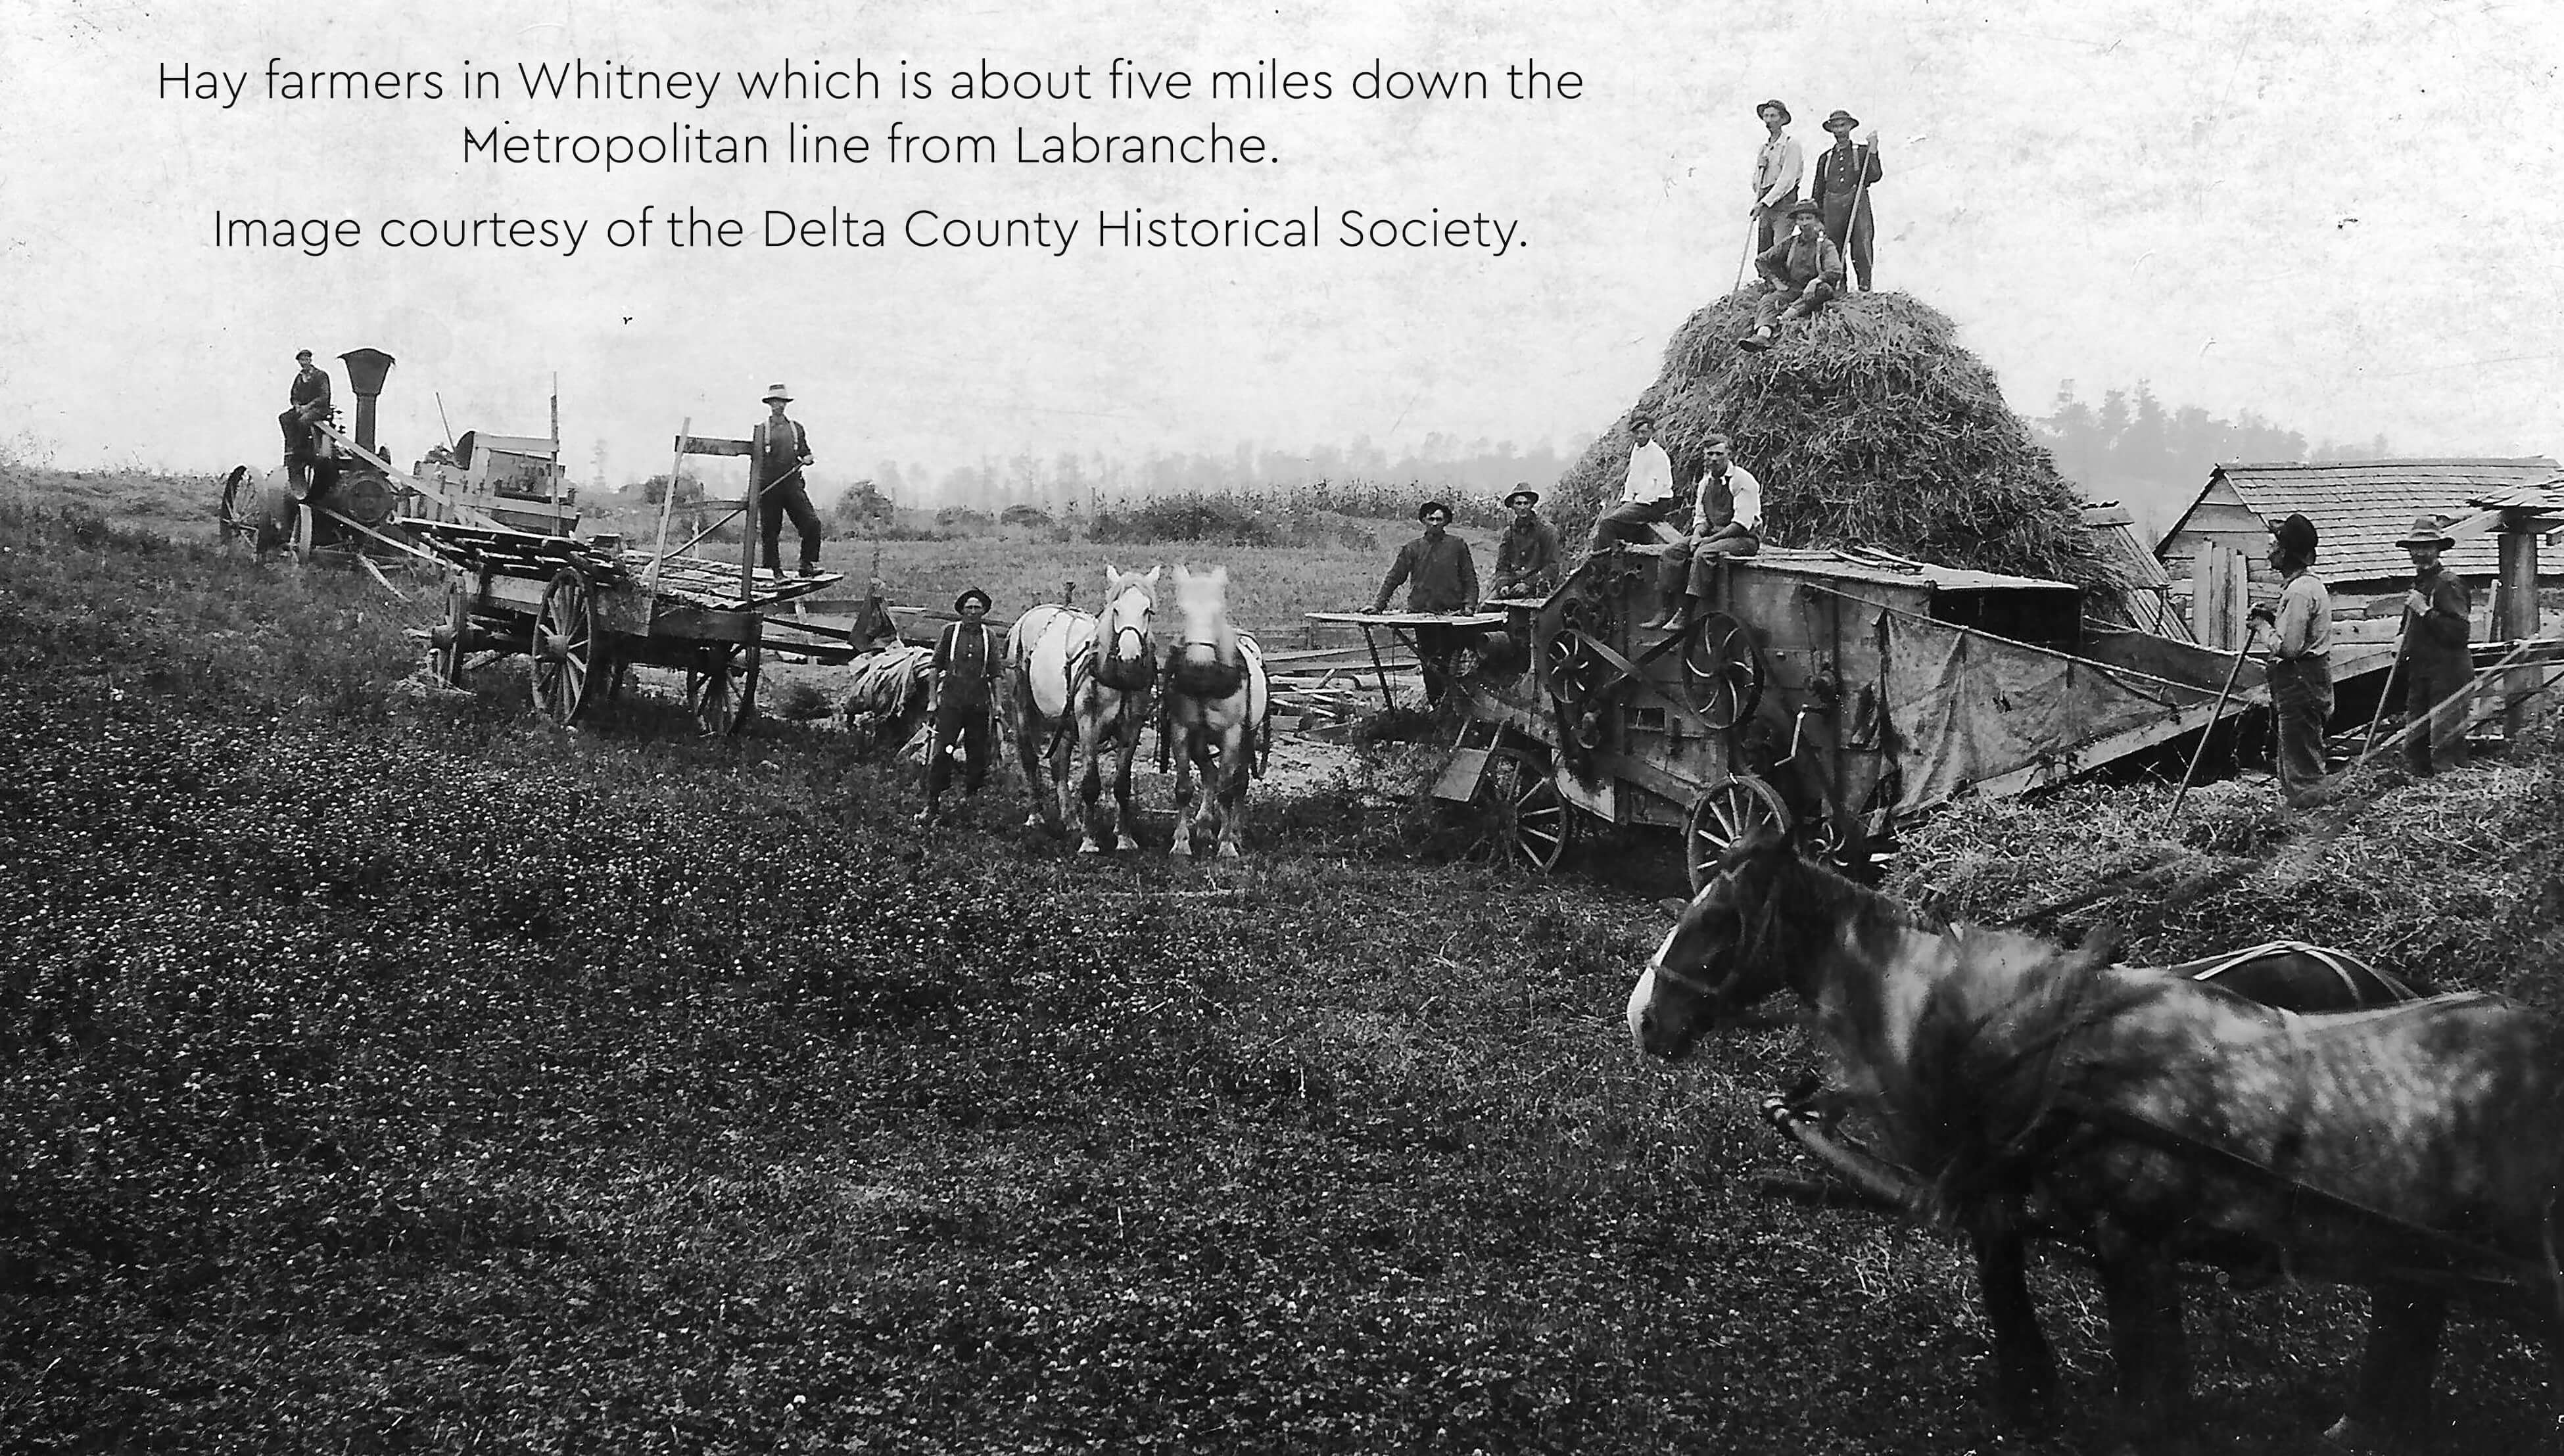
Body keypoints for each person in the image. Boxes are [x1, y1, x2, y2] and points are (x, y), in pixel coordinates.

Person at [2245, 513, 2333, 805]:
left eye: (2276, 545)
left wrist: (2262, 627)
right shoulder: (2305, 587)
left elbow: (2290, 649)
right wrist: (2272, 619)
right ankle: (2301, 819)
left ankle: (2311, 827)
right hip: (2302, 683)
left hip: (2300, 683)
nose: (2270, 550)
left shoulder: (2299, 592)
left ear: (2286, 553)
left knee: (2301, 767)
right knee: (2295, 758)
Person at [1640, 434, 1764, 632]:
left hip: (1743, 539)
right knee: (1672, 552)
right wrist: (1697, 536)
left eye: (1719, 454)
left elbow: (1741, 524)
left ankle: (1686, 612)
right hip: (1715, 534)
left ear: (1729, 455)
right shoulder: (1705, 483)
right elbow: (1702, 518)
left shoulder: (1742, 480)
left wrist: (1707, 541)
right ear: (1704, 456)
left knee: (1703, 554)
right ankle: (1664, 609)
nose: (1714, 459)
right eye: (1709, 454)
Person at [1373, 500, 1479, 706]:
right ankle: (1435, 705)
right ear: (1423, 521)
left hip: (1452, 615)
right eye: (1431, 519)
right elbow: (1394, 577)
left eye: (1439, 519)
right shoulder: (1412, 548)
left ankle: (1451, 707)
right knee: (1428, 660)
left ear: (1446, 521)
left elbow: (1469, 579)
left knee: (1449, 661)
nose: (1435, 523)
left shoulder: (1457, 545)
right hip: (1422, 615)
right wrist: (1378, 606)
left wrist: (1469, 606)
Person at [2394, 515, 2472, 776]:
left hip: (2448, 675)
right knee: (2414, 743)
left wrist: (2425, 611)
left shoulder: (2448, 583)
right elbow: (2411, 627)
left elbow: (2459, 632)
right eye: (2415, 548)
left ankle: (2448, 799)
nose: (2420, 553)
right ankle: (2418, 800)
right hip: (2422, 673)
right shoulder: (2419, 583)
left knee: (2444, 745)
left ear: (2438, 549)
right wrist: (2400, 639)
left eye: (2427, 547)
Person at [920, 588, 1000, 822]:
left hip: (978, 704)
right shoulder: (950, 633)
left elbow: (996, 672)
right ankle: (932, 803)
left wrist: (999, 704)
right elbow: (935, 666)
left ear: (984, 611)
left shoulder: (989, 636)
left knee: (978, 753)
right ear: (962, 611)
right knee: (944, 750)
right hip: (952, 703)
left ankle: (970, 801)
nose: (973, 612)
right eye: (969, 608)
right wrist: (933, 700)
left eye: (978, 608)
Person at [1738, 202, 1845, 350]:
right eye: (1801, 219)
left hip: (1815, 290)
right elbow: (1761, 260)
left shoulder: (1826, 245)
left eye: (1809, 218)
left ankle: (1787, 317)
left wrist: (1815, 282)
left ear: (1816, 220)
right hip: (1793, 289)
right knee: (1768, 301)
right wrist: (1775, 281)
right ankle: (1763, 335)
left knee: (1824, 290)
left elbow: (1836, 270)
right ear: (1796, 222)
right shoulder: (1791, 243)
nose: (1805, 223)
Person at [1586, 411, 1682, 555]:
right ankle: (1612, 556)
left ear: (1651, 431)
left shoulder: (1658, 455)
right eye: (1637, 433)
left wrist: (1636, 503)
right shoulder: (1636, 450)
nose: (1640, 436)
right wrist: (1627, 499)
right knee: (1617, 520)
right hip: (1641, 502)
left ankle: (1600, 561)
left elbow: (1656, 487)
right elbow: (1633, 477)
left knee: (1608, 524)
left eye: (1644, 432)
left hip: (1655, 503)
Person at [755, 383, 825, 577]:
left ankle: (806, 565)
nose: (779, 405)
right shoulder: (762, 430)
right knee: (771, 530)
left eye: (782, 402)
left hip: (792, 483)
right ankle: (775, 571)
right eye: (775, 402)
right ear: (769, 404)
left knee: (812, 523)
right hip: (770, 486)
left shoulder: (796, 428)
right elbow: (757, 462)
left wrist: (808, 458)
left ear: (786, 404)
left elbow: (805, 452)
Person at [1811, 110, 1884, 293]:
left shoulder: (1861, 152)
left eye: (1843, 125)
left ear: (1851, 127)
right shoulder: (1826, 158)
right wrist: (1817, 218)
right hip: (1832, 207)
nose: (1839, 130)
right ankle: (1839, 289)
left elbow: (1875, 175)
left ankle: (1864, 288)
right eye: (1835, 126)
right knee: (1834, 249)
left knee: (1862, 244)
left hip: (1857, 202)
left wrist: (1873, 150)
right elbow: (1818, 188)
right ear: (1831, 130)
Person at [1747, 99, 1804, 255]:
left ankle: (1782, 280)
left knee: (1780, 249)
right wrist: (1760, 169)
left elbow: (1788, 179)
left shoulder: (1791, 144)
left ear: (1783, 119)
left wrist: (1765, 202)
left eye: (1773, 116)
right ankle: (1766, 280)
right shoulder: (1764, 149)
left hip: (1783, 204)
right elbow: (1756, 184)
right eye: (1766, 116)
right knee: (1764, 250)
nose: (1768, 121)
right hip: (1765, 203)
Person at [1489, 486, 1563, 600]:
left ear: (1532, 505)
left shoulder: (1546, 530)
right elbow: (1502, 566)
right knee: (1485, 608)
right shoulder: (1509, 533)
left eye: (1526, 503)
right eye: (1519, 504)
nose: (1523, 508)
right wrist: (1503, 585)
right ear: (1513, 506)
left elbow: (1552, 567)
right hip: (1512, 587)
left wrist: (1528, 584)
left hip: (1538, 588)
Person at [278, 348, 332, 491]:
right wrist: (297, 406)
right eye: (301, 360)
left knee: (303, 421)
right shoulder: (299, 378)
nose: (304, 363)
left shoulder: (321, 376)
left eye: (306, 359)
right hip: (302, 408)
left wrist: (308, 406)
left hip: (319, 409)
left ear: (310, 360)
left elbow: (324, 396)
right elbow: (293, 396)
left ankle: (301, 448)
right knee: (285, 418)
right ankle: (293, 444)